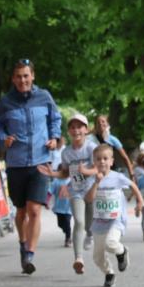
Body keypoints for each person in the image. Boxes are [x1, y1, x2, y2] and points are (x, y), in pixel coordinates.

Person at [0, 59, 62, 275]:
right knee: (21, 211)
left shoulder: (44, 97)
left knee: (34, 209)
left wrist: (54, 137)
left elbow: (55, 119)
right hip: (16, 163)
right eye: (18, 76)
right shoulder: (6, 102)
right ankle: (23, 245)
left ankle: (30, 253)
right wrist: (4, 138)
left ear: (33, 76)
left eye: (26, 75)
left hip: (40, 161)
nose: (23, 80)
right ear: (13, 79)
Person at [39, 113, 97, 275]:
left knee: (89, 223)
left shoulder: (91, 148)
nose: (76, 130)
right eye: (72, 127)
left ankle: (90, 234)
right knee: (78, 221)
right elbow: (65, 173)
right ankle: (78, 259)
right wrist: (53, 174)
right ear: (69, 131)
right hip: (76, 190)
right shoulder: (66, 152)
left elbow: (99, 168)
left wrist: (86, 170)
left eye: (79, 127)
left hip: (92, 189)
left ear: (86, 130)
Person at [86, 143, 144, 287]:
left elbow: (133, 185)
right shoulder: (92, 179)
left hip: (116, 220)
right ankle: (109, 273)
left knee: (110, 243)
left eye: (105, 158)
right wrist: (96, 183)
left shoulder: (117, 177)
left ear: (111, 161)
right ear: (94, 162)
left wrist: (140, 201)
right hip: (99, 222)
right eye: (98, 159)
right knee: (97, 258)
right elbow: (88, 199)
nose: (102, 162)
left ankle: (122, 251)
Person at [48, 176, 73, 248]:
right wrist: (46, 201)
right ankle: (66, 231)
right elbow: (50, 192)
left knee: (67, 222)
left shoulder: (72, 179)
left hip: (69, 207)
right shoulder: (56, 181)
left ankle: (68, 238)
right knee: (60, 224)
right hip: (59, 207)